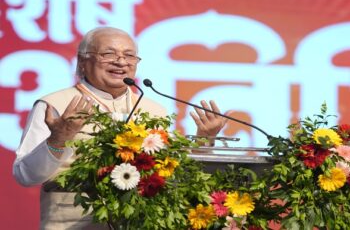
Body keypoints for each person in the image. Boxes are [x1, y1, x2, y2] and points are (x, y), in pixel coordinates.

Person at [13, 27, 226, 230]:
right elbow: (26, 176)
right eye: (108, 53)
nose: (121, 61)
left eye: (129, 56)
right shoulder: (54, 105)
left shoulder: (154, 110)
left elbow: (172, 175)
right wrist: (58, 139)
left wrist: (203, 142)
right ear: (82, 61)